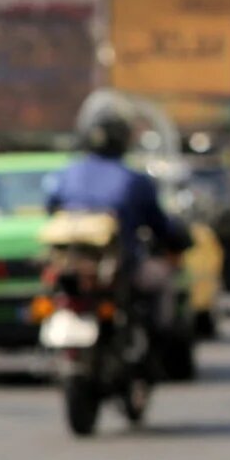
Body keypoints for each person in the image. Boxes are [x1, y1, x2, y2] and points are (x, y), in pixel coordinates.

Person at [47, 111, 191, 329]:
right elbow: (159, 223)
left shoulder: (66, 175)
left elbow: (50, 208)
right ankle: (161, 339)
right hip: (124, 269)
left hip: (74, 270)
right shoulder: (133, 179)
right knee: (164, 281)